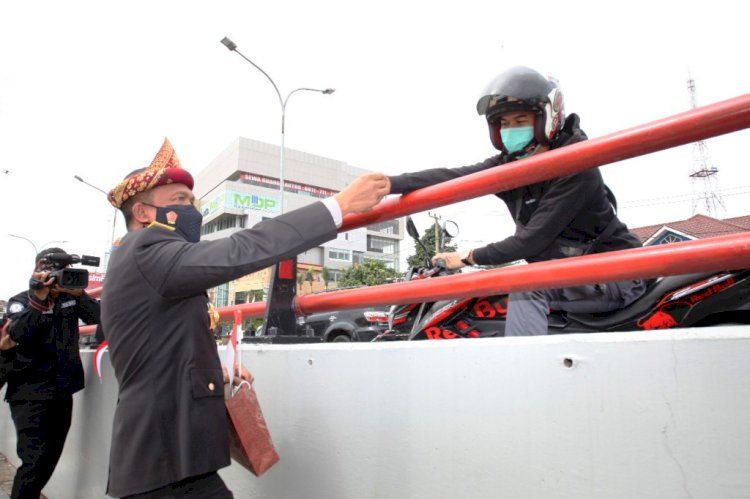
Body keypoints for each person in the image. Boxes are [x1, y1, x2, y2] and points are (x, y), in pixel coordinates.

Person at [101, 138, 389, 498]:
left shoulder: (142, 261)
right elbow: (241, 249)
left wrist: (214, 371)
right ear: (143, 213)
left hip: (168, 460)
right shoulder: (146, 249)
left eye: (192, 201)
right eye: (178, 201)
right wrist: (337, 206)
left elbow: (156, 345)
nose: (192, 209)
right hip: (163, 461)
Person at [386, 66, 647, 336]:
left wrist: (466, 257)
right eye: (505, 124)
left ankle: (524, 373)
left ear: (546, 119)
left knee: (524, 286)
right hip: (569, 275)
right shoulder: (511, 167)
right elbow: (453, 177)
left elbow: (530, 242)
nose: (511, 130)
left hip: (614, 273)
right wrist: (390, 184)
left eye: (520, 121)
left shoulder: (576, 163)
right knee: (481, 299)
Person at [1, 248, 101, 499]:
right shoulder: (22, 301)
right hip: (29, 394)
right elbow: (19, 334)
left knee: (49, 459)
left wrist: (79, 295)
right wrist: (39, 299)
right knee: (33, 460)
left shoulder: (70, 298)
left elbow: (100, 316)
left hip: (61, 391)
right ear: (39, 271)